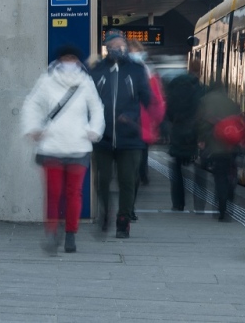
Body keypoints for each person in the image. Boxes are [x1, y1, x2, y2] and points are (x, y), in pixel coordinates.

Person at [20, 44, 105, 254]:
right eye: (65, 58)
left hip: (78, 146)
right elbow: (31, 105)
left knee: (74, 193)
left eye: (73, 58)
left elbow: (97, 108)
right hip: (52, 147)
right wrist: (32, 128)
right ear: (58, 60)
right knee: (53, 193)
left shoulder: (86, 83)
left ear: (78, 61)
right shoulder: (46, 82)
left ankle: (70, 235)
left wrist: (94, 130)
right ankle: (51, 232)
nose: (69, 62)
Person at [90, 30, 152, 239]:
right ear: (106, 47)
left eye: (120, 44)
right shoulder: (97, 70)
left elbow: (147, 98)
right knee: (103, 179)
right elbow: (88, 100)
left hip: (130, 137)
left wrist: (134, 117)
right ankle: (105, 213)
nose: (118, 47)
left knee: (127, 180)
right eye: (113, 44)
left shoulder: (136, 70)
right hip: (103, 137)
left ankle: (123, 219)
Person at [128, 39, 166, 220]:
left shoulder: (149, 73)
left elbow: (157, 103)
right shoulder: (117, 70)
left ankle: (128, 208)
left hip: (141, 130)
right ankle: (127, 207)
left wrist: (152, 123)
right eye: (131, 51)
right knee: (127, 171)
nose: (135, 54)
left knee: (133, 171)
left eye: (136, 51)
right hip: (123, 129)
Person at [197, 81, 242, 222]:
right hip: (231, 145)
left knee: (219, 177)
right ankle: (228, 198)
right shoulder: (231, 103)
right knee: (230, 173)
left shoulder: (204, 101)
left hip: (216, 146)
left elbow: (201, 123)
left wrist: (201, 140)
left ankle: (221, 205)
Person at [165, 59, 204, 212]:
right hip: (195, 132)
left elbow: (167, 109)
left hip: (178, 131)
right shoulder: (201, 89)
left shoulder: (175, 85)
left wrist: (173, 122)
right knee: (199, 168)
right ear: (199, 71)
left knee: (176, 169)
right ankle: (199, 203)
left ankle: (178, 203)